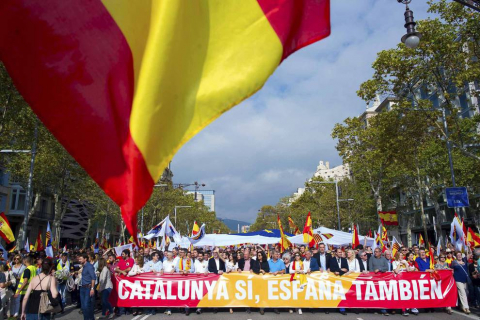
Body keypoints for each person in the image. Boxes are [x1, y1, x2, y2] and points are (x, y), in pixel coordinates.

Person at [367, 248, 389, 316]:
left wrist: (379, 269)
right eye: (374, 251)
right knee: (374, 294)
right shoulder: (371, 258)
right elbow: (370, 268)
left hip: (382, 279)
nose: (375, 253)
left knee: (382, 294)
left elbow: (386, 268)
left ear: (380, 253)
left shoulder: (384, 259)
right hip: (374, 279)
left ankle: (383, 309)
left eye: (377, 252)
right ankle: (374, 309)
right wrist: (373, 274)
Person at [79, 253, 96, 320]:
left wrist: (92, 288)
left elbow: (93, 278)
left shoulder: (89, 266)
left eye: (80, 259)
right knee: (83, 307)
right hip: (83, 287)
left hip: (88, 288)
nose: (79, 260)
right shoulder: (84, 266)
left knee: (86, 305)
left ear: (85, 259)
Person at [10, 255, 25, 319]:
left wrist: (18, 277)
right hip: (13, 284)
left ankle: (16, 313)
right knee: (12, 299)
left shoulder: (23, 267)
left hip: (19, 283)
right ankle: (12, 313)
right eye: (15, 259)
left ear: (20, 259)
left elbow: (24, 276)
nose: (16, 260)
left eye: (17, 259)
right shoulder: (12, 266)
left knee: (17, 299)